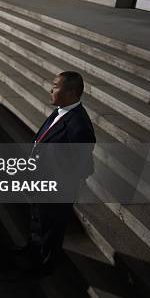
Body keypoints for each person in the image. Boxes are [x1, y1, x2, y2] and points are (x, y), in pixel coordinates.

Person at [18, 71, 96, 275]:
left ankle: (44, 264)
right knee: (38, 220)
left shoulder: (79, 126)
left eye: (55, 85)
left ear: (71, 92)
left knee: (51, 227)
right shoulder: (61, 111)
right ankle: (34, 249)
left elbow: (82, 165)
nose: (50, 89)